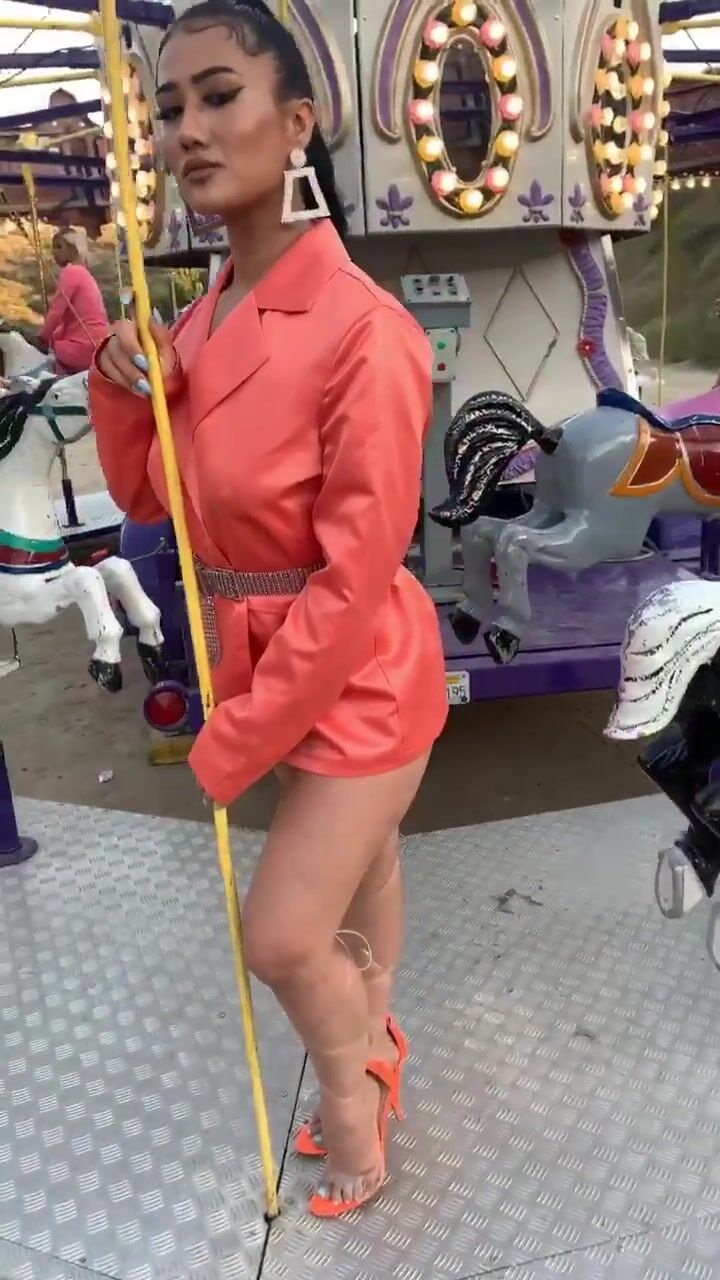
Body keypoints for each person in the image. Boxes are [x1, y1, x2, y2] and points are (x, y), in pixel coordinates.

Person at [88, 0, 448, 1219]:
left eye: (218, 95)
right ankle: (377, 1028)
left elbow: (355, 576)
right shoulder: (200, 319)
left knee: (285, 933)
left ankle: (355, 1094)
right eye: (169, 107)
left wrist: (234, 734)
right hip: (259, 658)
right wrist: (127, 386)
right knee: (366, 861)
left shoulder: (366, 331)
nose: (187, 129)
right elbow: (152, 498)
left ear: (297, 123)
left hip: (357, 674)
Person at [38, 228, 109, 374]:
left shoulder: (71, 272)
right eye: (54, 247)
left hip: (82, 344)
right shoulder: (84, 273)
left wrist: (42, 338)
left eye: (59, 247)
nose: (54, 252)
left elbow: (56, 312)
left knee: (44, 360)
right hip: (98, 343)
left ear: (72, 249)